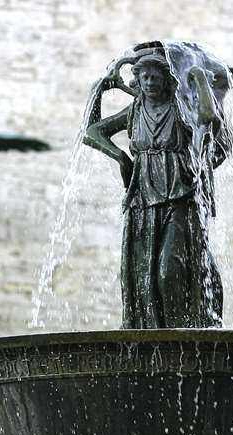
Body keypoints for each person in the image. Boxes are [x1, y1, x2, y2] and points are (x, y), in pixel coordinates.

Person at [84, 45, 225, 329]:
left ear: (166, 79)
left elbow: (209, 118)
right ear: (137, 79)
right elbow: (92, 132)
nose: (149, 82)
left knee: (169, 270)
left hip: (180, 196)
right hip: (143, 198)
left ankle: (182, 336)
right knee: (141, 274)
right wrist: (121, 156)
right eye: (144, 77)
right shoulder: (135, 109)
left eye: (155, 77)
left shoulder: (181, 106)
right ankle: (152, 336)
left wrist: (197, 76)